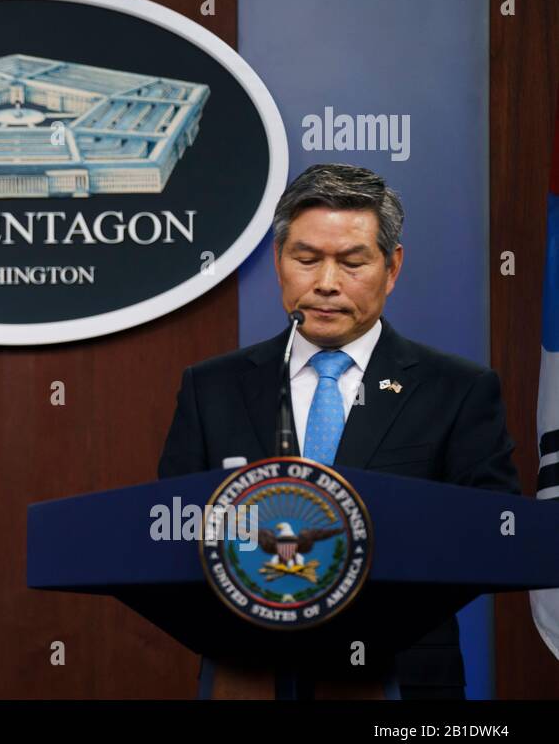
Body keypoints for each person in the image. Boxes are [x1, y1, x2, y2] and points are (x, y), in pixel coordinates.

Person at [158, 163, 518, 699]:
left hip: (401, 677)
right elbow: (171, 531)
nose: (326, 284)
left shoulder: (457, 390)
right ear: (279, 264)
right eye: (306, 259)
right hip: (249, 672)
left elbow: (495, 532)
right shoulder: (212, 387)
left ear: (392, 268)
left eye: (353, 262)